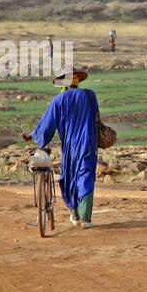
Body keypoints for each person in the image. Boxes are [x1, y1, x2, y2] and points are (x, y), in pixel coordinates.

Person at [25, 69, 102, 228]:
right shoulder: (90, 95)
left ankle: (74, 214)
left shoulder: (58, 100)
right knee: (86, 175)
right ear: (78, 82)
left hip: (70, 147)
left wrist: (32, 136)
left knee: (70, 177)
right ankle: (86, 218)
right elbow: (97, 118)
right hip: (87, 143)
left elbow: (47, 125)